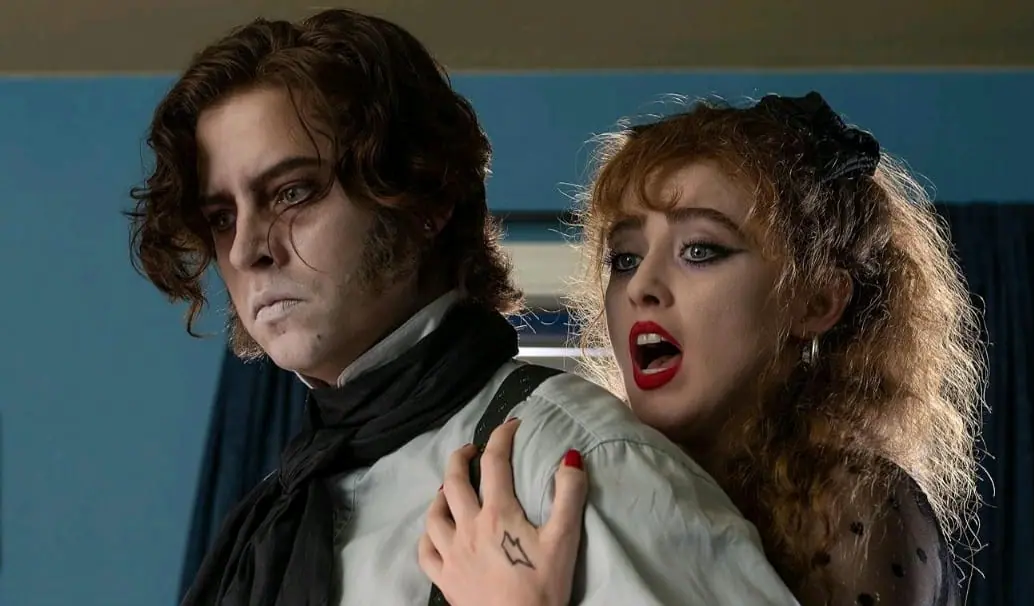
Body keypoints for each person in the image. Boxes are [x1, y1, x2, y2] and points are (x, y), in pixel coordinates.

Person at [126, 9, 800, 606]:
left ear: (425, 200)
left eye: (292, 192)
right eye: (222, 217)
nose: (246, 249)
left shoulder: (574, 463)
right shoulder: (273, 514)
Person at [421, 93, 986, 605]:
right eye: (625, 258)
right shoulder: (603, 479)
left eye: (699, 250)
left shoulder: (852, 506)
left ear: (816, 302)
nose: (642, 286)